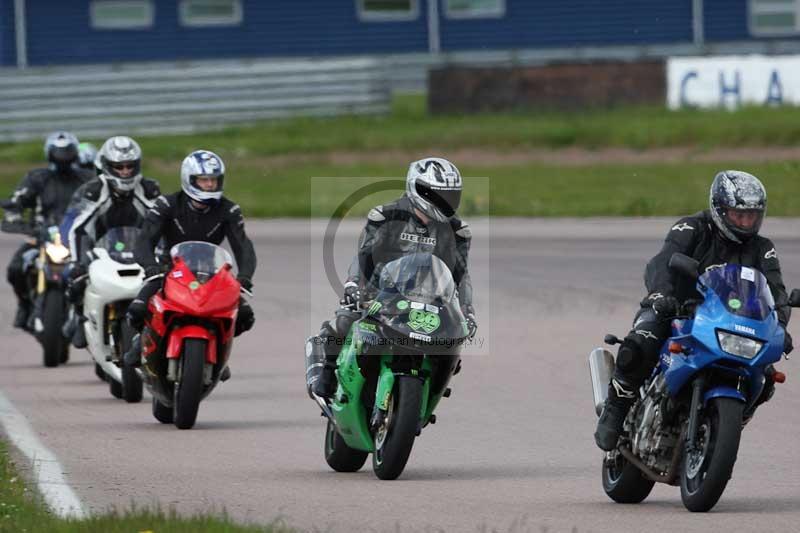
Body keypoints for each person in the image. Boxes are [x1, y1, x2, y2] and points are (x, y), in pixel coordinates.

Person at [594, 170, 793, 451]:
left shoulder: (762, 248)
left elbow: (776, 291)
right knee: (642, 341)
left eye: (752, 215)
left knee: (767, 377)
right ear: (719, 209)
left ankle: (727, 424)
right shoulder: (692, 228)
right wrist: (661, 294)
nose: (746, 222)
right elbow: (662, 262)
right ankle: (616, 407)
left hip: (731, 321)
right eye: (739, 215)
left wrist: (781, 325)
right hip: (679, 310)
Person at [310, 156, 477, 398]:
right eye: (438, 195)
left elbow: (460, 276)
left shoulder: (457, 231)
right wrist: (354, 286)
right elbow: (364, 256)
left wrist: (467, 310)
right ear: (417, 188)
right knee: (345, 321)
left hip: (431, 299)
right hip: (381, 294)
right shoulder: (385, 216)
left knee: (452, 342)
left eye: (450, 196)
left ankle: (429, 394)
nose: (445, 202)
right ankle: (327, 373)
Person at [124, 150, 256, 372]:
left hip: (210, 271)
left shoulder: (229, 210)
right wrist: (151, 267)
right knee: (137, 309)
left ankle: (219, 351)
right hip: (167, 270)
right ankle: (143, 341)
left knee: (244, 315)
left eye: (213, 180)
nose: (209, 185)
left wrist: (244, 277)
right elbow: (144, 239)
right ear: (189, 179)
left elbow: (243, 246)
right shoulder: (166, 204)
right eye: (204, 180)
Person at [61, 136, 161, 348]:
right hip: (99, 248)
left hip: (138, 247)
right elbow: (76, 228)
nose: (125, 172)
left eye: (129, 166)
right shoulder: (93, 190)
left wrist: (165, 252)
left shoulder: (150, 189)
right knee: (72, 276)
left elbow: (163, 224)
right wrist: (78, 261)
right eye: (119, 167)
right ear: (107, 167)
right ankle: (79, 316)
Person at [1, 131, 94, 330]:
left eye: (67, 152)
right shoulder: (37, 177)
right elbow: (18, 199)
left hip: (80, 238)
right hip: (42, 237)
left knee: (97, 269)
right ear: (49, 153)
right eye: (59, 153)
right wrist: (13, 214)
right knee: (16, 268)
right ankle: (25, 305)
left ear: (75, 153)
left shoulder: (87, 178)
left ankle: (97, 316)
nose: (63, 157)